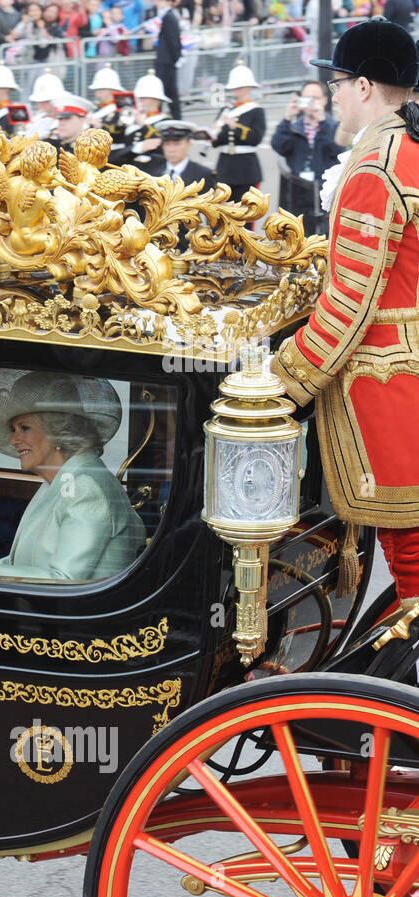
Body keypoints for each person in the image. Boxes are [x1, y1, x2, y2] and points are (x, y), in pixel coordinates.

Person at [273, 18, 419, 612]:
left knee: (409, 556)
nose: (330, 95)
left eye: (335, 83)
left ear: (363, 86)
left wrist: (282, 384)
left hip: (385, 384)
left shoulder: (375, 165)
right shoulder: (408, 148)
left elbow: (347, 310)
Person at [0, 372, 145, 581]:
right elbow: (17, 563)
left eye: (24, 428)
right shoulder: (58, 482)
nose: (14, 439)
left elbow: (64, 580)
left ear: (57, 430)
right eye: (13, 429)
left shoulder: (86, 488)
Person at [271, 79, 339, 235]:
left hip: (324, 192)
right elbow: (279, 146)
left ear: (324, 100)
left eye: (315, 98)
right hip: (297, 193)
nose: (310, 103)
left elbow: (336, 149)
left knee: (325, 240)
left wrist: (322, 122)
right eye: (306, 98)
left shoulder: (334, 126)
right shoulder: (294, 127)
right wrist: (287, 118)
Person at [210, 64, 266, 203]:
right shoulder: (226, 110)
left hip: (246, 167)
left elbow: (256, 138)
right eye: (235, 87)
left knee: (246, 214)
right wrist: (213, 133)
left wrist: (235, 127)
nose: (236, 90)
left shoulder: (256, 111)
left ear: (249, 87)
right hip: (225, 166)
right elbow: (216, 143)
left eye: (240, 86)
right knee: (221, 211)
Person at [152, 0, 182, 120]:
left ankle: (172, 118)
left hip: (167, 61)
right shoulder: (165, 16)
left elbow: (173, 40)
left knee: (165, 93)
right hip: (167, 60)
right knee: (170, 93)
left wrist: (175, 58)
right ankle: (175, 118)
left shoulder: (169, 17)